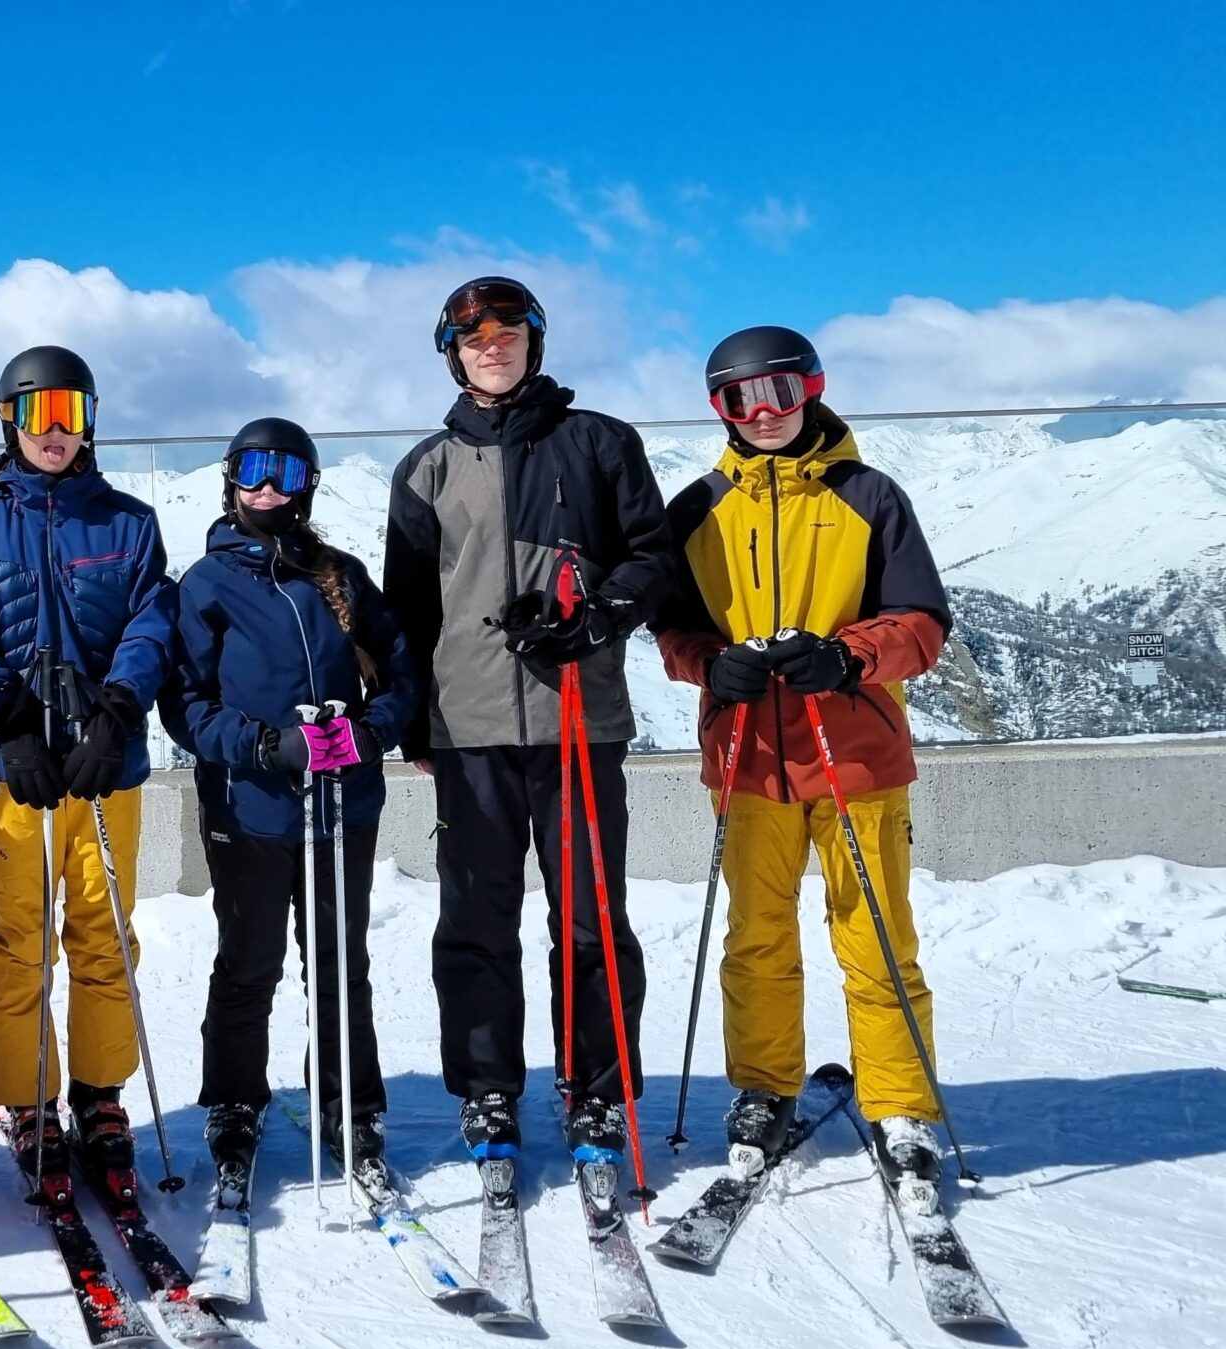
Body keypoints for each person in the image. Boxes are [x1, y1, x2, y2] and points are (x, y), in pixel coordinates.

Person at [654, 325, 954, 1199]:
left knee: (877, 936)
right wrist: (713, 665)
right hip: (748, 758)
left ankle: (901, 1104)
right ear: (720, 409)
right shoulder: (698, 507)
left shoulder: (870, 496)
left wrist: (846, 657)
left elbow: (922, 624)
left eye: (780, 392)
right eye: (739, 399)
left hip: (855, 756)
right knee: (757, 935)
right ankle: (763, 1088)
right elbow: (673, 630)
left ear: (811, 390)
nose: (763, 413)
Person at [383, 277, 672, 1167]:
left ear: (533, 342)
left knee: (591, 917)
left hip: (578, 719)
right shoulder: (426, 468)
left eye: (508, 333)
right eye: (475, 338)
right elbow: (406, 607)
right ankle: (487, 1089)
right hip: (468, 728)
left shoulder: (600, 443)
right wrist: (415, 721)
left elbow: (654, 557)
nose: (493, 347)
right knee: (475, 917)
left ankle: (597, 1089)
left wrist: (603, 615)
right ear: (454, 354)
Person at [164, 419, 419, 1196]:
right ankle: (235, 1102)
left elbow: (400, 670)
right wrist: (262, 745)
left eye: (285, 471)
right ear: (231, 481)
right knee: (250, 960)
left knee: (340, 962)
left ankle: (350, 1105)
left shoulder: (339, 576)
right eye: (253, 470)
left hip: (343, 803)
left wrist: (371, 732)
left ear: (307, 485)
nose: (268, 486)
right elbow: (186, 705)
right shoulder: (207, 584)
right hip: (249, 807)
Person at [0, 345, 175, 1187]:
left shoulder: (128, 521)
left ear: (90, 422)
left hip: (103, 764)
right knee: (21, 935)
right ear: (9, 420)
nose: (54, 431)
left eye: (70, 413)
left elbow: (151, 620)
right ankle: (29, 1095)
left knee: (103, 929)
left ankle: (99, 1092)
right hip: (15, 764)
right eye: (38, 413)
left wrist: (118, 711)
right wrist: (7, 719)